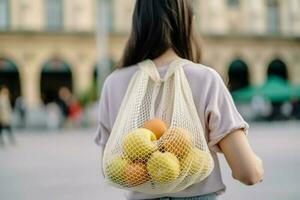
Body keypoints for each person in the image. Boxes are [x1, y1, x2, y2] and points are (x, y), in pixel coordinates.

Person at [95, 1, 264, 199]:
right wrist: (258, 165)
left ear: (138, 23)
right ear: (187, 22)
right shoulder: (205, 79)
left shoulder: (113, 84)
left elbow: (110, 168)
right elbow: (247, 173)